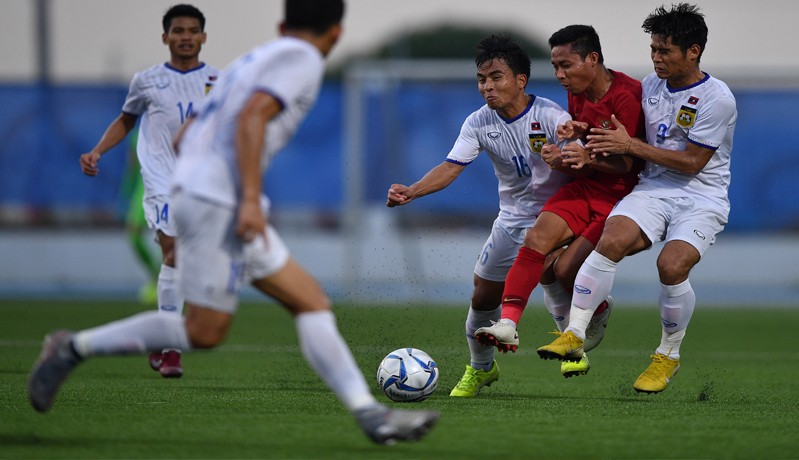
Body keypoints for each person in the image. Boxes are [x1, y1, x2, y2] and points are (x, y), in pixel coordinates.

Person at [29, 0, 439, 445]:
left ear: (284, 24)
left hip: (205, 195)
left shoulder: (255, 57)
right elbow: (251, 118)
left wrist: (206, 186)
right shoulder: (301, 58)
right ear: (336, 33)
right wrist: (242, 199)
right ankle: (72, 347)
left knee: (311, 303)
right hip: (220, 201)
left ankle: (370, 415)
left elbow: (189, 133)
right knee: (204, 331)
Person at [536, 3, 737, 394]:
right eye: (653, 49)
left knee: (671, 266)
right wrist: (584, 130)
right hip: (652, 190)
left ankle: (667, 357)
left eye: (666, 51)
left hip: (701, 197)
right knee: (611, 239)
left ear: (693, 51)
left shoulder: (717, 98)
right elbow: (617, 129)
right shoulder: (649, 87)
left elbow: (693, 163)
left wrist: (631, 146)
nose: (656, 58)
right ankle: (574, 333)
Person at [386, 34, 575, 397]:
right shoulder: (477, 123)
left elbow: (580, 160)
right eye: (481, 79)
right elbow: (451, 167)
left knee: (552, 269)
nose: (487, 86)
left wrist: (566, 155)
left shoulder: (551, 115)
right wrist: (412, 190)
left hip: (557, 215)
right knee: (482, 297)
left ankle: (574, 343)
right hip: (511, 219)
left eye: (496, 77)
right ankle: (482, 368)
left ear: (521, 80)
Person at [475, 25, 645, 378]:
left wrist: (585, 157)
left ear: (592, 59)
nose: (559, 75)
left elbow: (627, 162)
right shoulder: (577, 92)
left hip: (620, 198)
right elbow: (586, 134)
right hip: (583, 187)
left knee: (565, 270)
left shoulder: (627, 94)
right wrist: (570, 141)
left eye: (566, 66)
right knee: (537, 239)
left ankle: (595, 313)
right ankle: (508, 323)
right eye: (555, 67)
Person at [78, 4, 219, 378]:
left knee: (188, 262)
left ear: (203, 37)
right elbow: (126, 120)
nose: (185, 37)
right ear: (165, 37)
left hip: (201, 184)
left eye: (193, 31)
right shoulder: (147, 80)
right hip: (160, 180)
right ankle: (172, 349)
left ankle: (160, 337)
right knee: (172, 251)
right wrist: (97, 151)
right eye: (178, 31)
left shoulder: (221, 82)